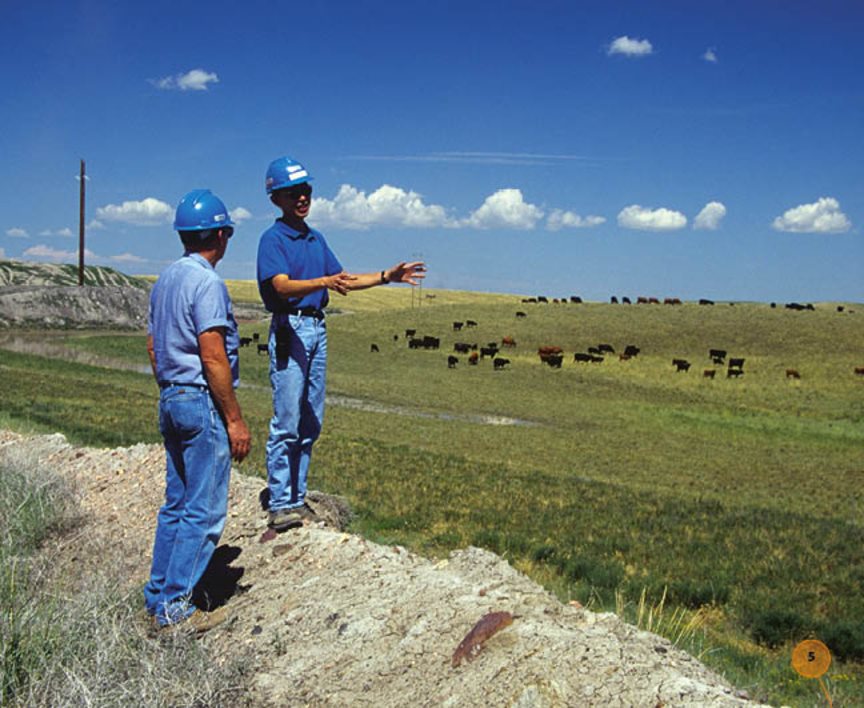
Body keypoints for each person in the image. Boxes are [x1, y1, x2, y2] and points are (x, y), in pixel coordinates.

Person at [257, 156, 425, 531]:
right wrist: (322, 283)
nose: (303, 198)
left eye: (306, 191)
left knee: (311, 418)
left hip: (317, 328)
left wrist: (386, 276)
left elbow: (343, 280)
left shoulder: (316, 239)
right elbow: (280, 286)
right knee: (287, 417)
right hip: (291, 328)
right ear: (277, 199)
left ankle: (297, 498)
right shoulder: (273, 239)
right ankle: (280, 502)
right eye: (294, 193)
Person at [144, 189, 251, 629]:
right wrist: (234, 418)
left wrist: (170, 388)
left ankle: (156, 595)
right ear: (222, 235)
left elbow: (153, 345)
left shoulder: (165, 279)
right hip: (200, 400)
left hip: (171, 396)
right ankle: (174, 606)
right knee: (204, 509)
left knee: (176, 503)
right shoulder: (207, 282)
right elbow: (212, 354)